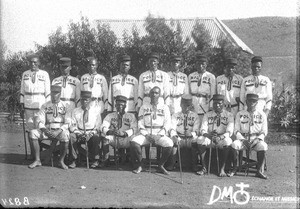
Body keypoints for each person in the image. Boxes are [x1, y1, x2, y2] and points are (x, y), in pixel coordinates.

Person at [130, 86, 173, 175]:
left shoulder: (165, 108)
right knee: (134, 142)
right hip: (147, 134)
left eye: (156, 93)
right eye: (152, 93)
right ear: (149, 95)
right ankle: (141, 164)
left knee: (169, 143)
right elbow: (140, 123)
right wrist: (146, 134)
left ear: (160, 95)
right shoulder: (143, 107)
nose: (154, 95)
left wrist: (159, 135)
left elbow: (167, 123)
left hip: (159, 134)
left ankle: (160, 165)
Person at [28, 85, 70, 169]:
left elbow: (68, 122)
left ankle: (61, 161)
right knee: (33, 133)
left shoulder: (66, 106)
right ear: (50, 93)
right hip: (47, 130)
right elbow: (39, 121)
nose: (54, 95)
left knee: (66, 135)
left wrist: (58, 131)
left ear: (60, 94)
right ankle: (37, 160)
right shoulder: (45, 105)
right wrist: (45, 130)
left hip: (60, 131)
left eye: (56, 93)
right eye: (53, 93)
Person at [229, 93, 268, 179]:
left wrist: (258, 139)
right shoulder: (240, 114)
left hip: (256, 139)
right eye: (250, 101)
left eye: (254, 101)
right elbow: (236, 130)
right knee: (234, 144)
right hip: (243, 139)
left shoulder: (262, 114)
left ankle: (258, 171)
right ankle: (235, 169)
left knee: (263, 146)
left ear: (257, 103)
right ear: (246, 102)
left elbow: (264, 131)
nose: (251, 103)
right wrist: (243, 140)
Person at [20, 54, 51, 159]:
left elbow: (48, 92)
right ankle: (33, 154)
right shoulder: (25, 74)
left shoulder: (44, 74)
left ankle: (40, 153)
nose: (33, 64)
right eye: (31, 62)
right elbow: (22, 91)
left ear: (39, 63)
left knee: (40, 129)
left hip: (40, 106)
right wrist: (21, 105)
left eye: (35, 62)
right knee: (30, 129)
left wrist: (47, 107)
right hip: (28, 105)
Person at [196, 94, 234, 177]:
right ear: (212, 104)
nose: (217, 105)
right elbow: (202, 130)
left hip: (221, 138)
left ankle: (222, 168)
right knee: (200, 139)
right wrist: (209, 136)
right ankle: (204, 167)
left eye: (219, 103)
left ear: (223, 104)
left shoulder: (229, 115)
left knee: (228, 141)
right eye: (215, 103)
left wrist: (220, 137)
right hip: (210, 137)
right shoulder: (208, 114)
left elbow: (229, 131)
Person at [100, 95, 138, 167]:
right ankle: (106, 159)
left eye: (121, 105)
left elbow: (135, 128)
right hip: (115, 138)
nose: (119, 107)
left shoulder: (131, 116)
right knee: (105, 138)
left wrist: (124, 133)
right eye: (117, 105)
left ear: (125, 106)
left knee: (135, 139)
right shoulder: (110, 116)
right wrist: (110, 131)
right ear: (115, 105)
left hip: (126, 138)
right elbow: (103, 126)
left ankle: (132, 160)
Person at [68, 91, 102, 169]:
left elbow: (98, 126)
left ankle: (94, 159)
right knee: (71, 136)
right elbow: (72, 125)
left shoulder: (96, 111)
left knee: (96, 137)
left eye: (86, 100)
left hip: (91, 133)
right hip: (79, 133)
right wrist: (79, 134)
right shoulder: (75, 111)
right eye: (82, 100)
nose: (84, 102)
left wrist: (90, 134)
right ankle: (74, 159)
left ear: (90, 100)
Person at [167, 94, 200, 171]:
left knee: (195, 141)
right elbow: (172, 128)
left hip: (189, 138)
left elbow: (197, 130)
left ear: (191, 105)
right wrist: (174, 136)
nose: (187, 107)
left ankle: (194, 164)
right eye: (184, 105)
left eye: (189, 105)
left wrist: (191, 134)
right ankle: (172, 163)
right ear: (181, 105)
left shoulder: (195, 116)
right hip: (179, 136)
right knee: (173, 142)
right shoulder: (175, 115)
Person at [188, 53, 216, 123]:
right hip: (193, 103)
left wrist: (211, 106)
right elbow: (188, 92)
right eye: (198, 64)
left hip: (205, 103)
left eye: (203, 64)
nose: (200, 66)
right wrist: (188, 103)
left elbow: (213, 93)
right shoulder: (191, 76)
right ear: (195, 64)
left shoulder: (211, 76)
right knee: (192, 123)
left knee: (203, 123)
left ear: (206, 64)